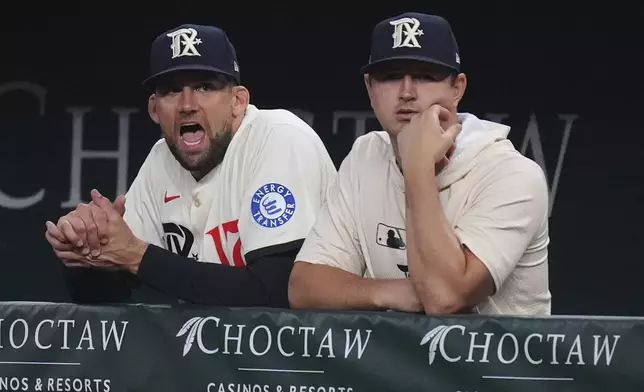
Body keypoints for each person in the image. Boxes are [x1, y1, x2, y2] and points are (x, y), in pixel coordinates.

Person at [44, 24, 337, 308]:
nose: (187, 104)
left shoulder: (277, 137)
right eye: (172, 91)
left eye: (205, 87)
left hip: (311, 354)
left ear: (238, 101)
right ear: (154, 109)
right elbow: (108, 291)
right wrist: (85, 254)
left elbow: (277, 292)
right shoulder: (162, 159)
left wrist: (136, 256)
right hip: (221, 353)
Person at [288, 13, 551, 315]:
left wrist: (417, 165)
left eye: (425, 76)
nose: (407, 92)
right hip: (401, 361)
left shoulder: (511, 174)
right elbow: (305, 286)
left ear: (457, 88)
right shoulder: (366, 156)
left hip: (496, 362)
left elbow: (444, 297)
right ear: (369, 87)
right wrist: (394, 293)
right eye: (390, 76)